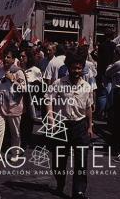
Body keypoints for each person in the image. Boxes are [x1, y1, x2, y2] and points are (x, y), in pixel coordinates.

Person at [46, 51, 93, 199]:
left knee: (81, 161)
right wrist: (51, 119)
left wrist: (90, 126)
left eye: (79, 68)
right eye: (74, 68)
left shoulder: (86, 86)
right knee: (59, 161)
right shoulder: (58, 83)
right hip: (61, 126)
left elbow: (88, 108)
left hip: (80, 126)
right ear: (68, 68)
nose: (77, 71)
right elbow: (48, 101)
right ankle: (60, 182)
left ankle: (79, 192)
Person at [0, 48, 26, 166]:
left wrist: (13, 80)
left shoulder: (18, 72)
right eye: (5, 57)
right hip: (0, 106)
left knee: (15, 132)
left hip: (14, 106)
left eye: (9, 57)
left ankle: (15, 152)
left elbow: (24, 89)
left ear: (13, 59)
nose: (6, 59)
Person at [19, 49, 42, 148]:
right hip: (18, 100)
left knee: (27, 122)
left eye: (23, 56)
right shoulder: (18, 69)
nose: (21, 58)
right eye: (20, 56)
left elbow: (39, 87)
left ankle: (26, 141)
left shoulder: (35, 70)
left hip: (29, 100)